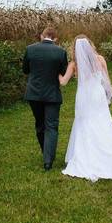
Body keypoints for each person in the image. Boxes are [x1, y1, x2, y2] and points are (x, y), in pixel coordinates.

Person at [58, 35, 112, 182]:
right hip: (97, 95)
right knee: (104, 122)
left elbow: (63, 82)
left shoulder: (74, 64)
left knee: (84, 123)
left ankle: (86, 156)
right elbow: (106, 80)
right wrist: (109, 94)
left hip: (83, 96)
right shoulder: (100, 59)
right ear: (90, 45)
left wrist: (55, 71)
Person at [22, 26, 69, 170]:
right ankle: (48, 160)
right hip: (52, 94)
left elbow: (25, 70)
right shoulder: (61, 52)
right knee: (51, 126)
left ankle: (45, 152)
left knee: (40, 124)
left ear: (42, 36)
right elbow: (63, 71)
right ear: (55, 39)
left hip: (34, 94)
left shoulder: (30, 49)